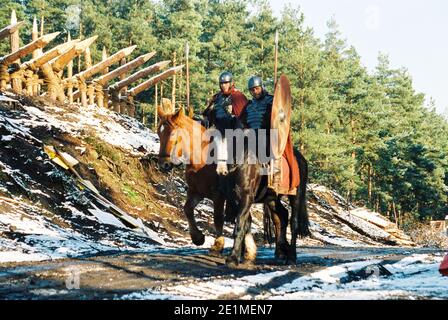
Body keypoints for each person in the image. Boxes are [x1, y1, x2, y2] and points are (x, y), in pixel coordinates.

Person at [241, 76, 300, 193]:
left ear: (262, 87)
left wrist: (277, 108)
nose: (254, 92)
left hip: (268, 133)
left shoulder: (271, 101)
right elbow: (243, 121)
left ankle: (275, 175)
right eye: (252, 90)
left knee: (268, 146)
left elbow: (281, 115)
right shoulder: (249, 105)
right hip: (251, 135)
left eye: (256, 89)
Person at [202, 72, 249, 175]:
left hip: (233, 128)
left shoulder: (237, 95)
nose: (223, 85)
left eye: (226, 83)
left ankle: (230, 165)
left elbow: (244, 114)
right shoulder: (217, 97)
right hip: (218, 127)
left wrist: (233, 115)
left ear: (231, 83)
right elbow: (209, 114)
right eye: (222, 83)